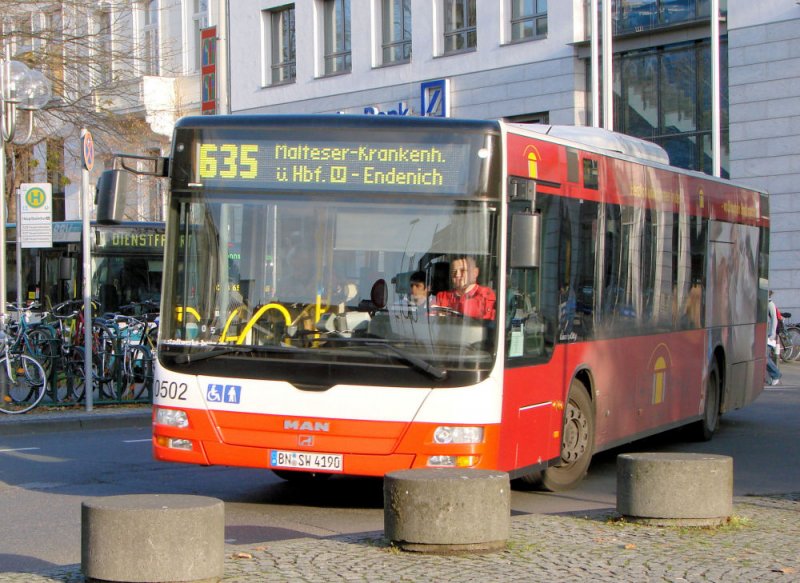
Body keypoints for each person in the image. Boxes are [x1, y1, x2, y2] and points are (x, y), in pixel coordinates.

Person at [435, 255, 496, 320]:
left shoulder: (486, 295)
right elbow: (431, 320)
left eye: (462, 270)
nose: (457, 275)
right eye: (454, 271)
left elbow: (486, 322)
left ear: (475, 273)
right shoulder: (442, 297)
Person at [766, 291, 782, 386]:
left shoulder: (770, 304)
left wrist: (772, 334)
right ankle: (771, 376)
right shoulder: (765, 303)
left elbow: (774, 319)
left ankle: (776, 374)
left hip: (769, 336)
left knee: (764, 356)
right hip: (766, 334)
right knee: (764, 356)